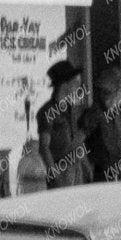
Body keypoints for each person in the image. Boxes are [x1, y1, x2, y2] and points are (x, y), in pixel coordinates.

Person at [35, 59, 89, 188]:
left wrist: (86, 165)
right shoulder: (47, 111)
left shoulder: (73, 109)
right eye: (76, 83)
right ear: (64, 85)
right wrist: (55, 176)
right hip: (60, 173)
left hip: (77, 170)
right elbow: (44, 147)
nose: (79, 87)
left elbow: (77, 140)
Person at [83, 64, 121, 183]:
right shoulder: (95, 113)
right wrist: (88, 168)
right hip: (102, 174)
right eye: (102, 92)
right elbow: (78, 143)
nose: (104, 97)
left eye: (108, 92)